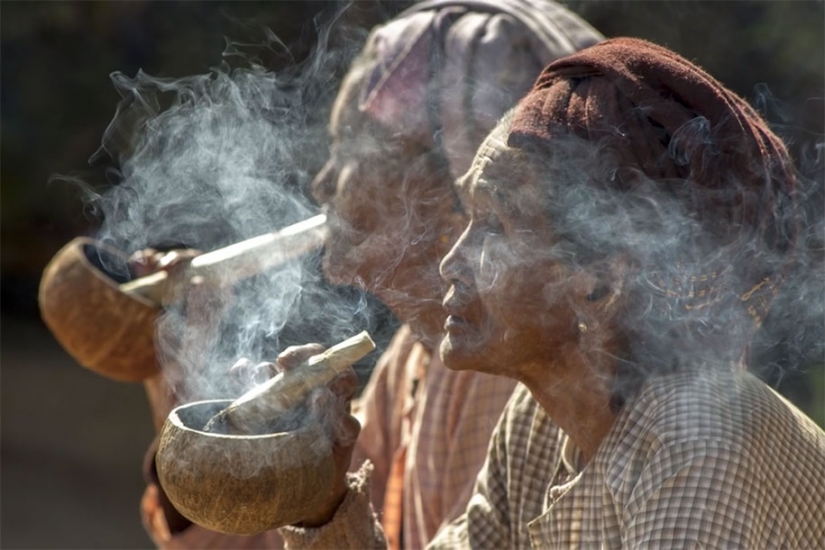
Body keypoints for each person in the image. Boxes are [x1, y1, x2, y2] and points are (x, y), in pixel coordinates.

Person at [276, 37, 825, 549]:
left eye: (495, 225)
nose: (451, 263)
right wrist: (322, 500)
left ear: (600, 284)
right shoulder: (538, 423)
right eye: (471, 217)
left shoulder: (695, 447)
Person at [137, 2, 604, 549]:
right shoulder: (416, 358)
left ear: (445, 184)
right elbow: (273, 536)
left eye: (346, 148)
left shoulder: (506, 373)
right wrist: (193, 392)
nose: (322, 182)